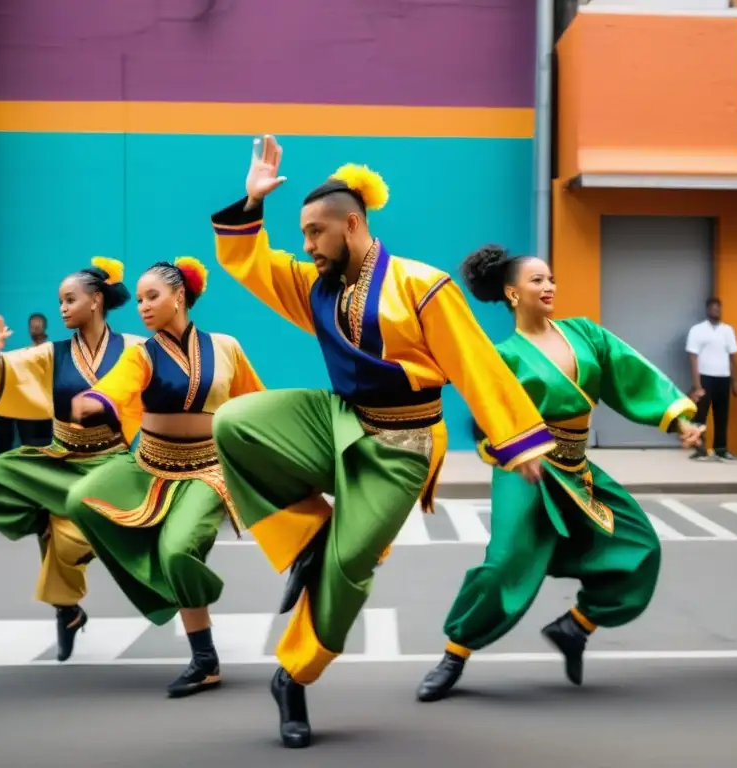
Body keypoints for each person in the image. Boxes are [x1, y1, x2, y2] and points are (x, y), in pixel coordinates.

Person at [210, 135, 554, 749]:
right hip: (341, 417)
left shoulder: (422, 286)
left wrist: (518, 439)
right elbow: (251, 264)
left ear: (353, 223)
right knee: (234, 423)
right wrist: (250, 202)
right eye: (303, 234)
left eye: (316, 232)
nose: (307, 246)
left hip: (404, 446)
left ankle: (293, 675)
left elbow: (477, 365)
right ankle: (307, 533)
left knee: (348, 568)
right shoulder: (315, 282)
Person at [416, 246, 705, 702]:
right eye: (537, 281)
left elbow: (632, 374)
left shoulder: (584, 334)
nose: (549, 287)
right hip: (525, 467)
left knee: (639, 545)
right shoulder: (502, 356)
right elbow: (484, 416)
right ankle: (455, 652)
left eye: (550, 279)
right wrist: (511, 452)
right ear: (512, 293)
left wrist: (680, 421)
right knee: (505, 564)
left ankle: (575, 627)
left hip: (577, 467)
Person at [66, 258, 263, 697]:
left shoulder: (226, 347)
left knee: (177, 552)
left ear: (179, 296)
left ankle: (204, 659)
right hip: (150, 464)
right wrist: (96, 400)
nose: (142, 306)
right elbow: (118, 385)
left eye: (151, 296)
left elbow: (255, 402)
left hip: (208, 469)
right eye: (137, 299)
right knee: (80, 499)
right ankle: (167, 588)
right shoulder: (142, 353)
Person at [0, 258, 140, 661]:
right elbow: (5, 379)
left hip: (112, 463)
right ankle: (66, 601)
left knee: (71, 537)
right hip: (63, 458)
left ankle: (67, 607)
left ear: (96, 301)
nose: (61, 308)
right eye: (59, 301)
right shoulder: (52, 353)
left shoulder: (134, 349)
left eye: (69, 300)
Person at [685, 298, 737, 460]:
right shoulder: (697, 330)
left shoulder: (727, 330)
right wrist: (697, 385)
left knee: (722, 415)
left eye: (718, 308)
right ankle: (700, 449)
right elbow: (692, 357)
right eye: (713, 308)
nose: (716, 310)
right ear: (707, 309)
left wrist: (736, 382)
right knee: (700, 415)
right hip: (704, 378)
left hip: (723, 378)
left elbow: (733, 357)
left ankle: (721, 449)